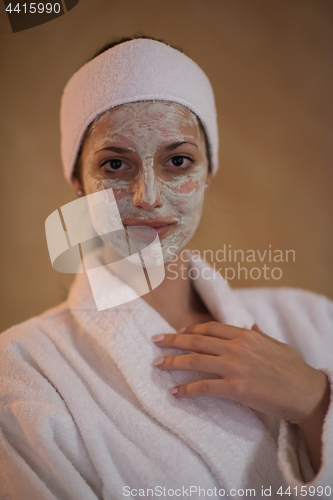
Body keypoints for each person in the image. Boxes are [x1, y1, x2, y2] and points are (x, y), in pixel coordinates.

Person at [0, 36, 332, 500]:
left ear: (208, 173)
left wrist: (317, 402)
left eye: (178, 161)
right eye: (115, 164)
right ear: (77, 181)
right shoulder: (25, 368)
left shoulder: (313, 319)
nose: (148, 197)